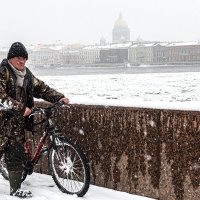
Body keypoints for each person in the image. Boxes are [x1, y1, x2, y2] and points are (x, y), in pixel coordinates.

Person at [0, 42, 69, 198]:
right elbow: (1, 97)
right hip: (2, 122)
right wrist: (19, 107)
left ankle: (15, 189)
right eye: (18, 58)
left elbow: (42, 89)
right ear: (10, 58)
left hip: (17, 124)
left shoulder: (27, 76)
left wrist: (59, 97)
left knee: (16, 156)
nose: (22, 61)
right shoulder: (3, 72)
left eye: (24, 58)